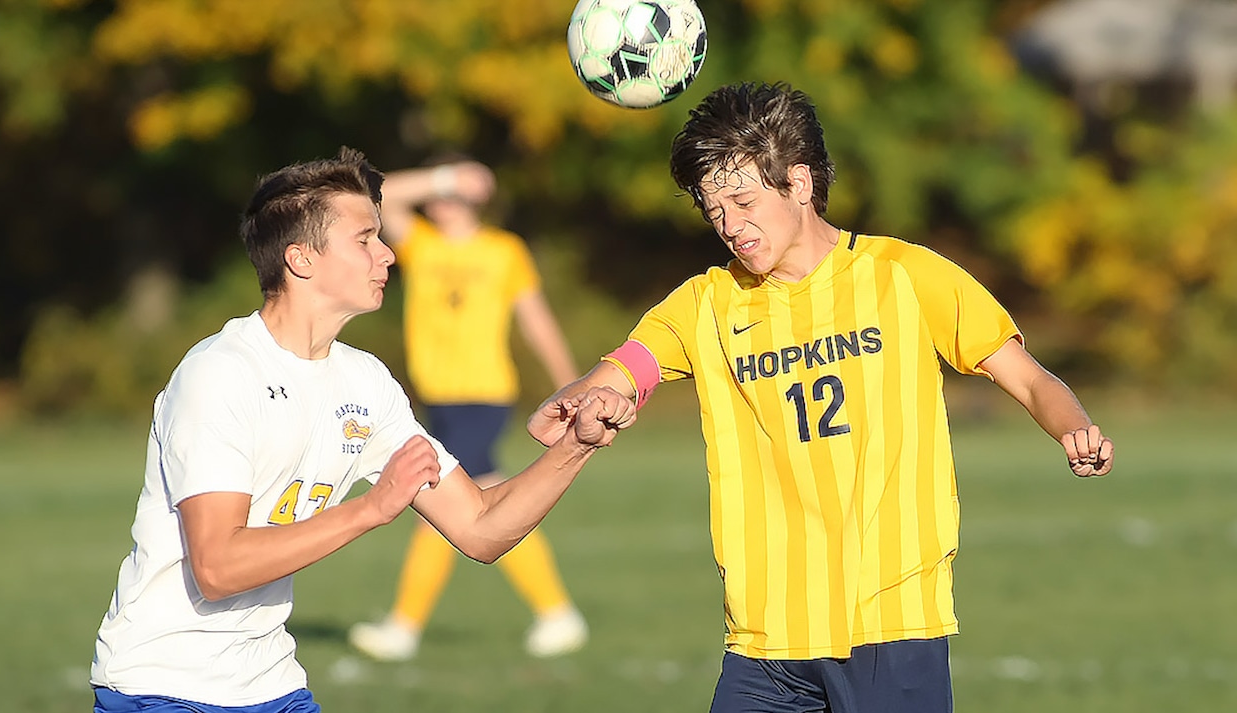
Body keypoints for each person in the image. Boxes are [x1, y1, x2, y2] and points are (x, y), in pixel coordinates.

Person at [526, 82, 1116, 713]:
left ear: (799, 183)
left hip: (892, 619)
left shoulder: (903, 275)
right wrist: (580, 403)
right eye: (713, 210)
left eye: (743, 201)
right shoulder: (704, 305)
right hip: (765, 638)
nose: (730, 226)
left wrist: (1073, 427)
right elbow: (611, 379)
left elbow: (1029, 378)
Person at [89, 147, 634, 713]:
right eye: (365, 239)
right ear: (301, 259)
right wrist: (371, 509)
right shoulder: (220, 374)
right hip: (162, 688)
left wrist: (575, 446)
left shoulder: (365, 382)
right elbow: (218, 568)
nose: (388, 253)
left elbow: (480, 528)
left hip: (271, 686)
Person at [347, 155, 589, 661]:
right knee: (485, 501)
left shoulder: (504, 251)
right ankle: (557, 613)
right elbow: (377, 195)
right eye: (440, 193)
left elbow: (536, 319)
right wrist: (443, 176)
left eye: (452, 193)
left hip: (483, 395)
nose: (443, 201)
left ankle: (405, 626)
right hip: (439, 398)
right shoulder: (421, 244)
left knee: (439, 501)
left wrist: (572, 382)